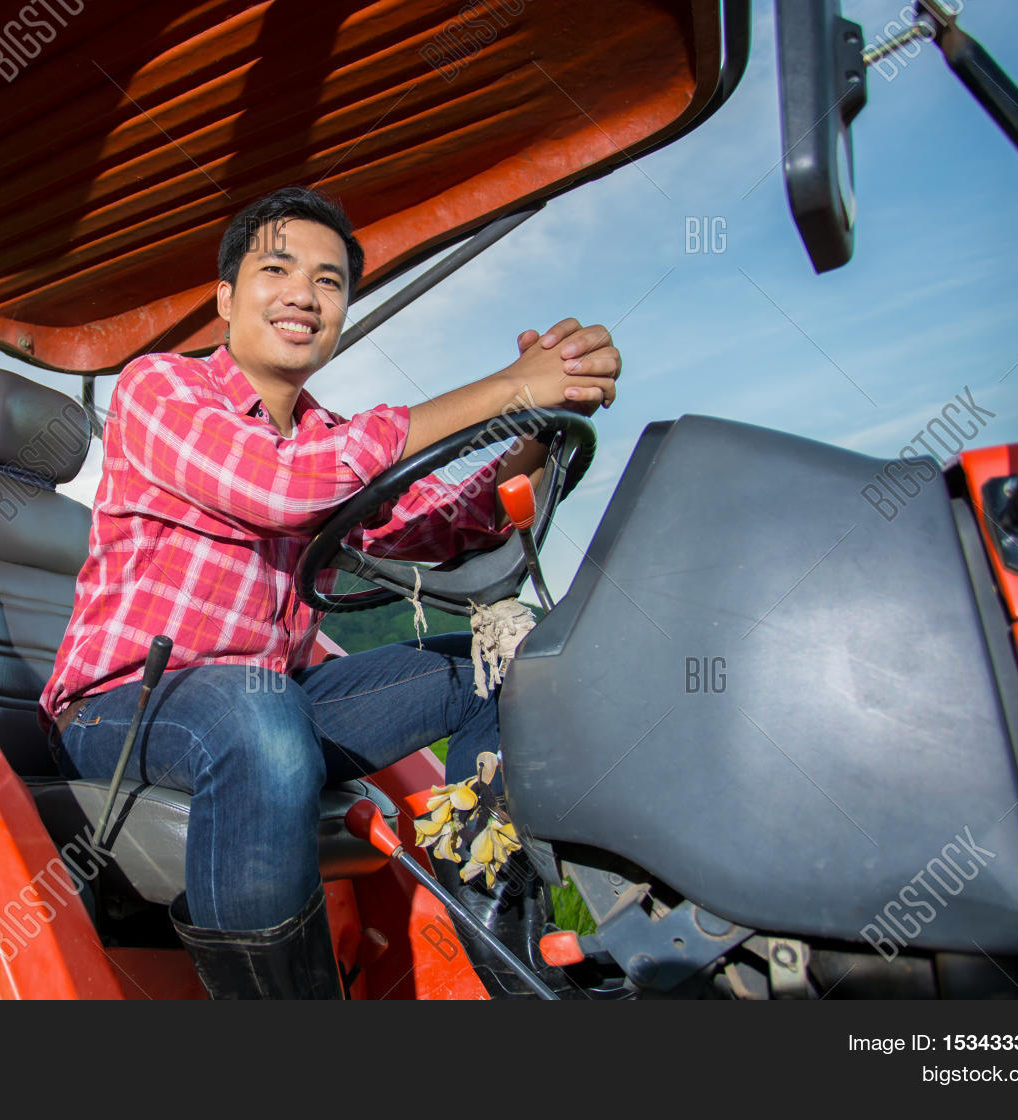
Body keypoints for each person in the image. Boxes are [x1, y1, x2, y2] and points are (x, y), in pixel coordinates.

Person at [40, 186, 620, 999]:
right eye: (277, 270)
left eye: (329, 281)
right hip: (123, 711)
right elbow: (283, 489)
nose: (305, 295)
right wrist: (508, 388)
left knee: (505, 670)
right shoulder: (159, 389)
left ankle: (507, 956)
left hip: (270, 700)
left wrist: (527, 436)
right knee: (258, 716)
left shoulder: (328, 437)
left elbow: (440, 525)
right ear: (226, 298)